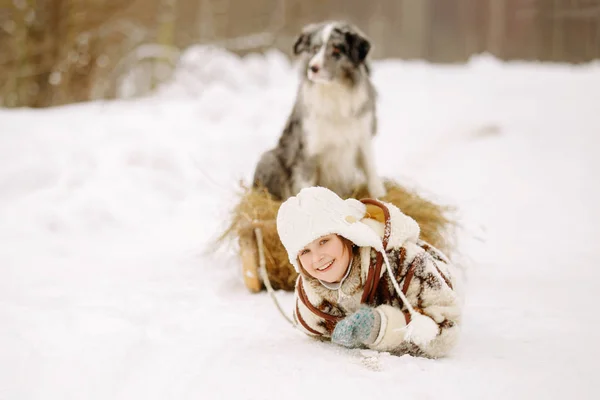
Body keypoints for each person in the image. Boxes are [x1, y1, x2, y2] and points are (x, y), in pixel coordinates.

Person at [276, 186, 463, 358]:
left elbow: (446, 330)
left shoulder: (405, 262)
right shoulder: (311, 303)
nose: (317, 258)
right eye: (305, 251)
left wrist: (379, 327)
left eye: (324, 241)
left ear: (345, 236)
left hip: (442, 280)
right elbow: (312, 328)